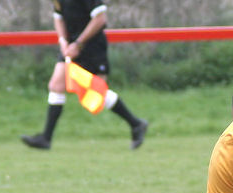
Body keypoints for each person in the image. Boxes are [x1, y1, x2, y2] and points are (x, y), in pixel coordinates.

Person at [21, 0, 148, 150]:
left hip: (91, 47)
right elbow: (58, 17)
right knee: (56, 85)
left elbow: (100, 19)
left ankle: (136, 124)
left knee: (97, 92)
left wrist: (79, 44)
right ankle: (46, 139)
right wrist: (63, 41)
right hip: (71, 45)